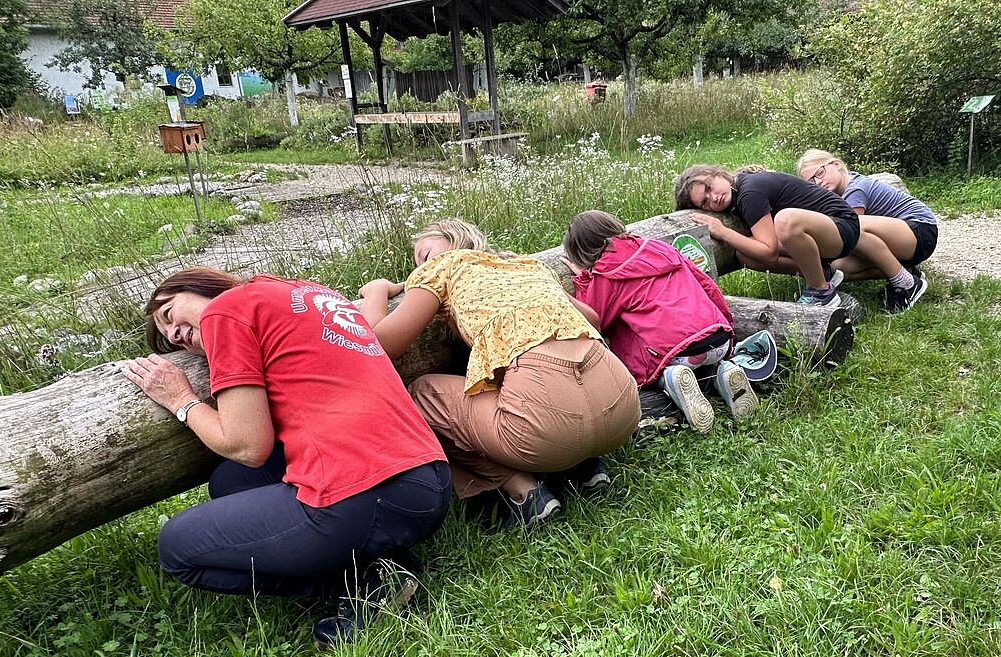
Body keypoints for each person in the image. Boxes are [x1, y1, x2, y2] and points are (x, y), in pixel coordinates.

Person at [122, 267, 450, 648]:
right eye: (170, 339)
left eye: (168, 315)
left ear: (194, 286)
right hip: (429, 480)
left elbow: (247, 445)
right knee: (230, 482)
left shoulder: (222, 312)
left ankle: (364, 585)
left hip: (363, 494)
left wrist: (181, 400)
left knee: (176, 549)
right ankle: (380, 558)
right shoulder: (308, 292)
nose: (174, 335)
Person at [358, 220, 640, 528]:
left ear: (455, 241)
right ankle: (582, 468)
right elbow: (592, 319)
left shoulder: (443, 267)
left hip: (548, 430)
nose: (421, 267)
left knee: (423, 395)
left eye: (425, 255)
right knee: (526, 378)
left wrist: (377, 291)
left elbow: (377, 344)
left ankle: (523, 491)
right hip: (622, 406)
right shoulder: (526, 265)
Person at [560, 210, 758, 434]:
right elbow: (707, 285)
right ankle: (723, 371)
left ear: (583, 251)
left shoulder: (605, 273)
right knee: (703, 357)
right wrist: (727, 325)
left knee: (638, 353)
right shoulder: (659, 247)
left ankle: (670, 380)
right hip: (717, 338)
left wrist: (585, 280)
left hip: (678, 353)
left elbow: (593, 318)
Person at [674, 164, 916, 311]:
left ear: (719, 174)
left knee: (786, 220)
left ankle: (820, 290)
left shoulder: (749, 191)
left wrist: (724, 232)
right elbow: (762, 252)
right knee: (745, 255)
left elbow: (769, 251)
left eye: (709, 188)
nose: (713, 198)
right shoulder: (739, 193)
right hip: (820, 235)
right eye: (704, 202)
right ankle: (823, 272)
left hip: (841, 225)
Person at [796, 149, 934, 312]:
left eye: (820, 173)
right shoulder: (839, 193)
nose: (818, 182)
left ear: (836, 165)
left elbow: (845, 235)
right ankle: (906, 272)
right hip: (904, 239)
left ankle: (907, 284)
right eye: (811, 181)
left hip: (920, 231)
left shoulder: (855, 189)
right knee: (839, 268)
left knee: (851, 228)